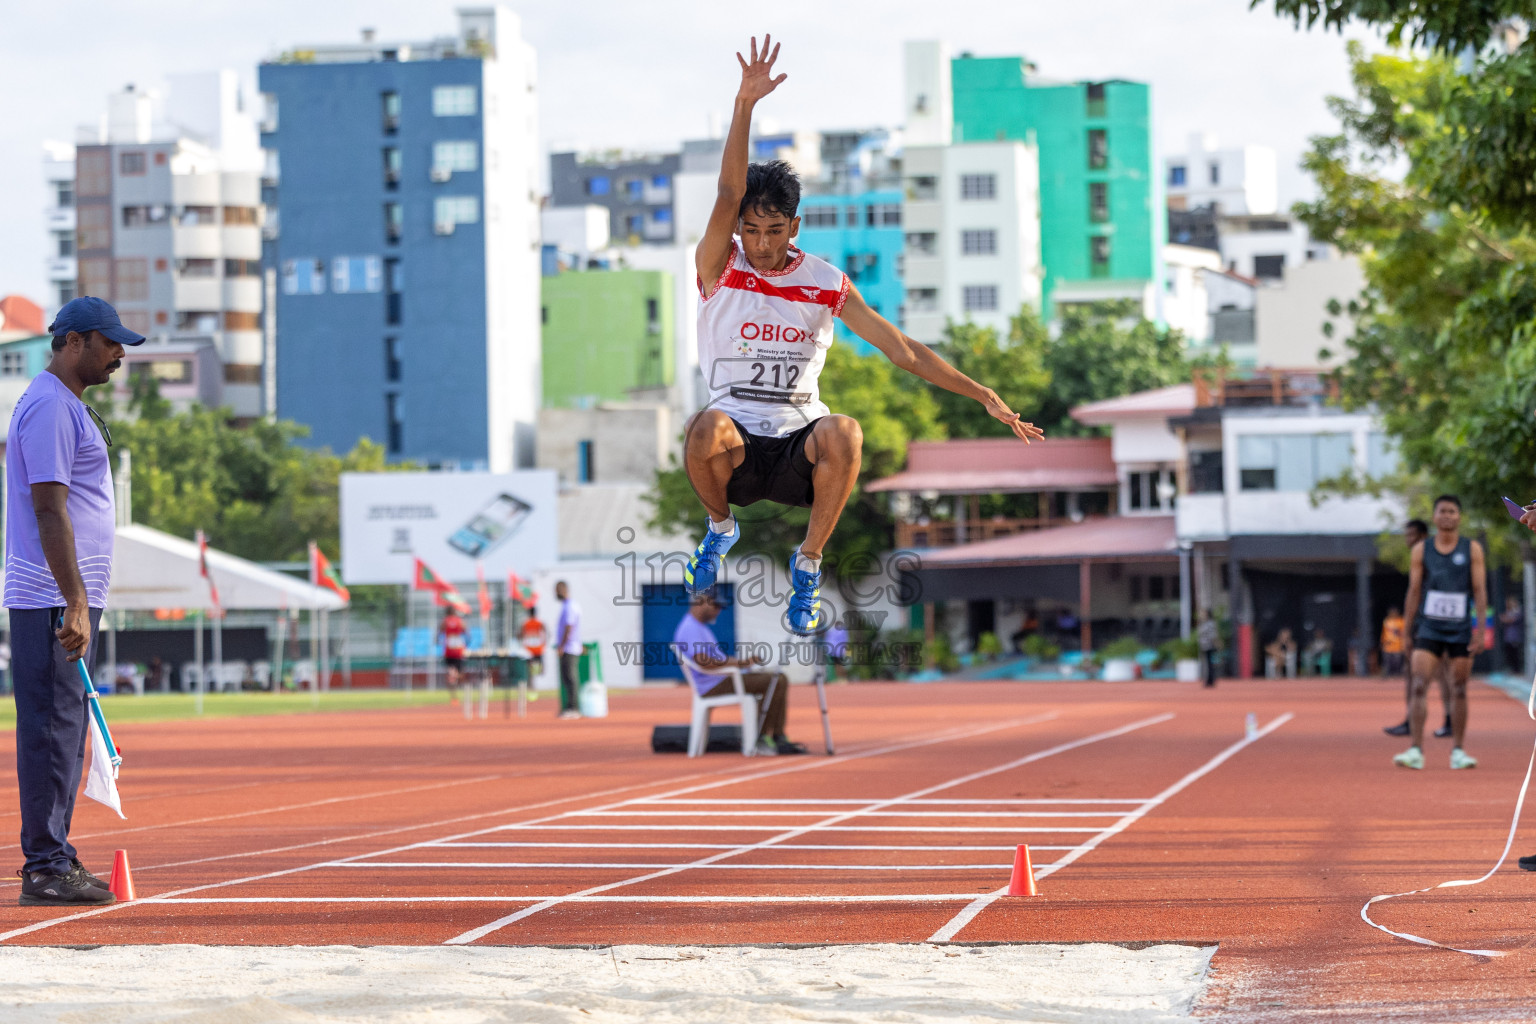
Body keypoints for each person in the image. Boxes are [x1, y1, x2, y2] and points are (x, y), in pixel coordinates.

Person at [681, 36, 1044, 635]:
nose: (763, 244)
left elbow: (901, 349)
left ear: (794, 225)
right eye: (751, 231)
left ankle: (809, 564)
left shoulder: (826, 283)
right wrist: (745, 104)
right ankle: (719, 530)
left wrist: (982, 394)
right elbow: (726, 193)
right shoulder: (721, 267)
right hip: (738, 443)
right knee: (702, 428)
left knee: (845, 429)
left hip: (799, 442)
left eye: (774, 231)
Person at [5, 296, 143, 906]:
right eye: (111, 343)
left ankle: (54, 855)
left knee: (66, 729)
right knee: (52, 730)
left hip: (60, 599)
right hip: (50, 600)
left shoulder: (66, 405)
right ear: (76, 341)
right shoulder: (49, 408)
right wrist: (76, 601)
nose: (119, 355)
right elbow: (47, 507)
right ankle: (46, 866)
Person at [1394, 494, 1486, 770]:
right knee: (1419, 683)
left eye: (1452, 511)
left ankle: (1458, 750)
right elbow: (1413, 590)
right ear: (1434, 517)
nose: (1447, 515)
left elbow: (1480, 591)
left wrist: (1480, 629)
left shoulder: (1472, 549)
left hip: (1459, 628)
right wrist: (1407, 631)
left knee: (1459, 688)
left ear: (1459, 517)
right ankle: (1415, 749)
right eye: (1442, 511)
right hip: (1429, 626)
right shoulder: (1422, 550)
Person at [673, 591, 805, 755]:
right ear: (701, 602)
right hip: (713, 684)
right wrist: (741, 663)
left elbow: (717, 659)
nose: (718, 611)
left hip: (722, 678)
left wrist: (744, 665)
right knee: (776, 680)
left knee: (778, 679)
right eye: (716, 606)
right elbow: (704, 662)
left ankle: (774, 735)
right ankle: (764, 737)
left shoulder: (700, 628)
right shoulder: (690, 628)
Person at [1386, 519, 1453, 738]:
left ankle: (1449, 721)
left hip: (1434, 623)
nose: (1408, 540)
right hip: (1422, 624)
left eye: (1412, 536)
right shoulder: (1422, 558)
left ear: (1423, 536)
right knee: (1415, 673)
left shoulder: (1434, 559)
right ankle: (1413, 720)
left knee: (1441, 673)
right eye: (1406, 536)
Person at [554, 581, 582, 719]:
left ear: (562, 590)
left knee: (571, 678)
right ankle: (570, 707)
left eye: (557, 590)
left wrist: (562, 646)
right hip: (570, 647)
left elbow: (569, 627)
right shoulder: (568, 605)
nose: (555, 593)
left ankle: (573, 708)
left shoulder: (570, 606)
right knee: (567, 678)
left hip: (569, 648)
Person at [439, 608, 467, 702]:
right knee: (460, 672)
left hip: (449, 648)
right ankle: (456, 676)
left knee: (451, 671)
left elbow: (440, 631)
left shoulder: (445, 621)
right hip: (458, 648)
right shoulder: (460, 621)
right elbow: (465, 631)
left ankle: (453, 693)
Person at [1197, 610, 1221, 688]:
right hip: (1204, 646)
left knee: (1210, 664)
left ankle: (1210, 680)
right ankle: (1208, 680)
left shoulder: (1210, 623)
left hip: (1209, 646)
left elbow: (1213, 635)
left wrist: (1216, 643)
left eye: (1203, 614)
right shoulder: (1203, 623)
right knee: (1207, 664)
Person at [1500, 595, 1523, 677]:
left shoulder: (1518, 611)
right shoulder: (1508, 611)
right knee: (1509, 654)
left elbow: (1509, 620)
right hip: (1508, 637)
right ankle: (1512, 669)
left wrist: (1506, 619)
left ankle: (1517, 670)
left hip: (1515, 637)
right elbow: (1502, 618)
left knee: (1515, 654)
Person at [1380, 607, 1406, 676]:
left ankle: (1397, 676)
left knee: (1397, 662)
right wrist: (1383, 642)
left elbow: (1403, 633)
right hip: (1388, 645)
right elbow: (1384, 633)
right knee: (1388, 662)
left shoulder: (1401, 621)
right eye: (1391, 612)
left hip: (1398, 645)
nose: (1393, 614)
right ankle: (1388, 676)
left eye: (1394, 612)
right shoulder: (1386, 621)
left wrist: (1403, 644)